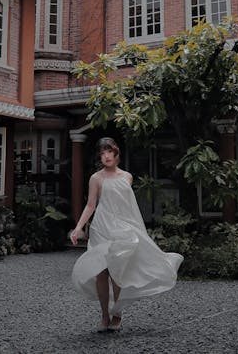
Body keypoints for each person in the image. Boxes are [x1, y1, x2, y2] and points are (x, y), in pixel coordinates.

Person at [70, 137, 183, 332]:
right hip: (101, 227)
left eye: (109, 152)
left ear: (116, 154)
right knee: (100, 273)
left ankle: (117, 314)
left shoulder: (127, 177)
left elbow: (130, 206)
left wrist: (136, 230)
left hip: (121, 228)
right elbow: (91, 205)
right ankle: (104, 315)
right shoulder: (96, 178)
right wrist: (79, 227)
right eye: (102, 153)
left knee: (117, 272)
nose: (106, 156)